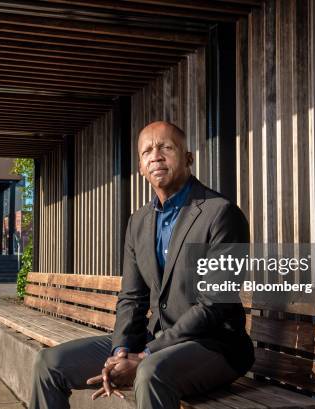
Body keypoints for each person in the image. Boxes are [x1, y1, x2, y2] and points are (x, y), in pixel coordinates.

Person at [29, 121, 254, 409]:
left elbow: (213, 305)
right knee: (49, 363)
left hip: (214, 346)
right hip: (153, 341)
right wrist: (122, 350)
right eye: (147, 151)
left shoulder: (221, 213)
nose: (156, 156)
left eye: (166, 148)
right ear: (140, 167)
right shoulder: (139, 221)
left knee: (150, 373)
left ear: (188, 157)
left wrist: (146, 355)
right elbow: (131, 297)